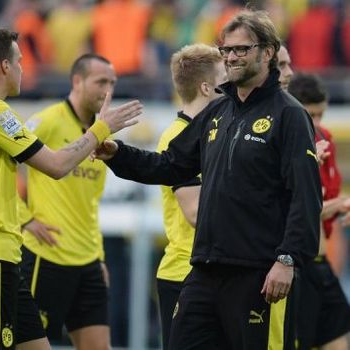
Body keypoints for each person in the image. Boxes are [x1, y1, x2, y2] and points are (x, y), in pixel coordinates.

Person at [95, 9, 321, 349]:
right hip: (204, 270)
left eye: (241, 49)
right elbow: (170, 165)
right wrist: (117, 154)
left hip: (257, 273)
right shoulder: (218, 112)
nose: (231, 57)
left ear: (268, 52)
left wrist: (287, 259)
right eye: (226, 50)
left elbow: (305, 196)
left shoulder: (289, 114)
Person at [0, 27, 142, 350]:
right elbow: (56, 166)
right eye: (19, 61)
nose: (24, 67)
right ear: (5, 67)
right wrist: (102, 128)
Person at [18, 53, 115, 350]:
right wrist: (24, 218)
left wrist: (98, 255)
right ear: (77, 81)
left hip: (88, 261)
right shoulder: (47, 121)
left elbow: (90, 203)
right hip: (48, 257)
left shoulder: (102, 136)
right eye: (101, 82)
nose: (107, 90)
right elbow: (2, 165)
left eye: (112, 83)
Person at [155, 44, 226, 350]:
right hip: (184, 272)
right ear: (206, 87)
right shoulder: (177, 138)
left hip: (212, 272)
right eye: (225, 78)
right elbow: (196, 213)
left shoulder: (213, 132)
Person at [288, 73, 350, 350]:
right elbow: (293, 209)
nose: (316, 123)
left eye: (320, 115)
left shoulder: (325, 140)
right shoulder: (288, 145)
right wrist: (338, 205)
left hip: (321, 265)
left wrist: (339, 206)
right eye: (309, 114)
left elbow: (326, 203)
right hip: (297, 267)